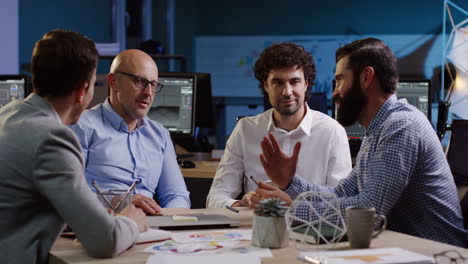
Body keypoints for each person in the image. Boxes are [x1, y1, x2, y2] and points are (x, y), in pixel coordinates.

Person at [257, 38, 467, 247]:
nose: (334, 92)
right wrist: (289, 183)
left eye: (340, 80)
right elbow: (342, 193)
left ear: (366, 77)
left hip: (438, 254)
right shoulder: (378, 128)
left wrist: (292, 209)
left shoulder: (402, 126)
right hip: (404, 250)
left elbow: (369, 210)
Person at [0, 30, 148, 263]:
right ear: (82, 91)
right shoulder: (52, 139)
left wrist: (89, 215)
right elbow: (105, 241)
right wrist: (131, 222)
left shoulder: (9, 115)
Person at [206, 42, 352, 208]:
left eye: (294, 81)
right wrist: (241, 204)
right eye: (278, 82)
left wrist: (293, 205)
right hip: (256, 228)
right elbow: (215, 197)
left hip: (311, 229)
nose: (287, 92)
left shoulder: (332, 132)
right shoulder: (245, 130)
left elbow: (342, 203)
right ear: (266, 86)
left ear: (306, 84)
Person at [71, 49, 190, 214]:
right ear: (114, 82)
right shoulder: (81, 126)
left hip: (153, 227)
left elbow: (177, 196)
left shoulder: (159, 134)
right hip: (104, 226)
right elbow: (67, 197)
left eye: (153, 84)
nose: (148, 93)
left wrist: (166, 219)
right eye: (139, 81)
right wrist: (119, 202)